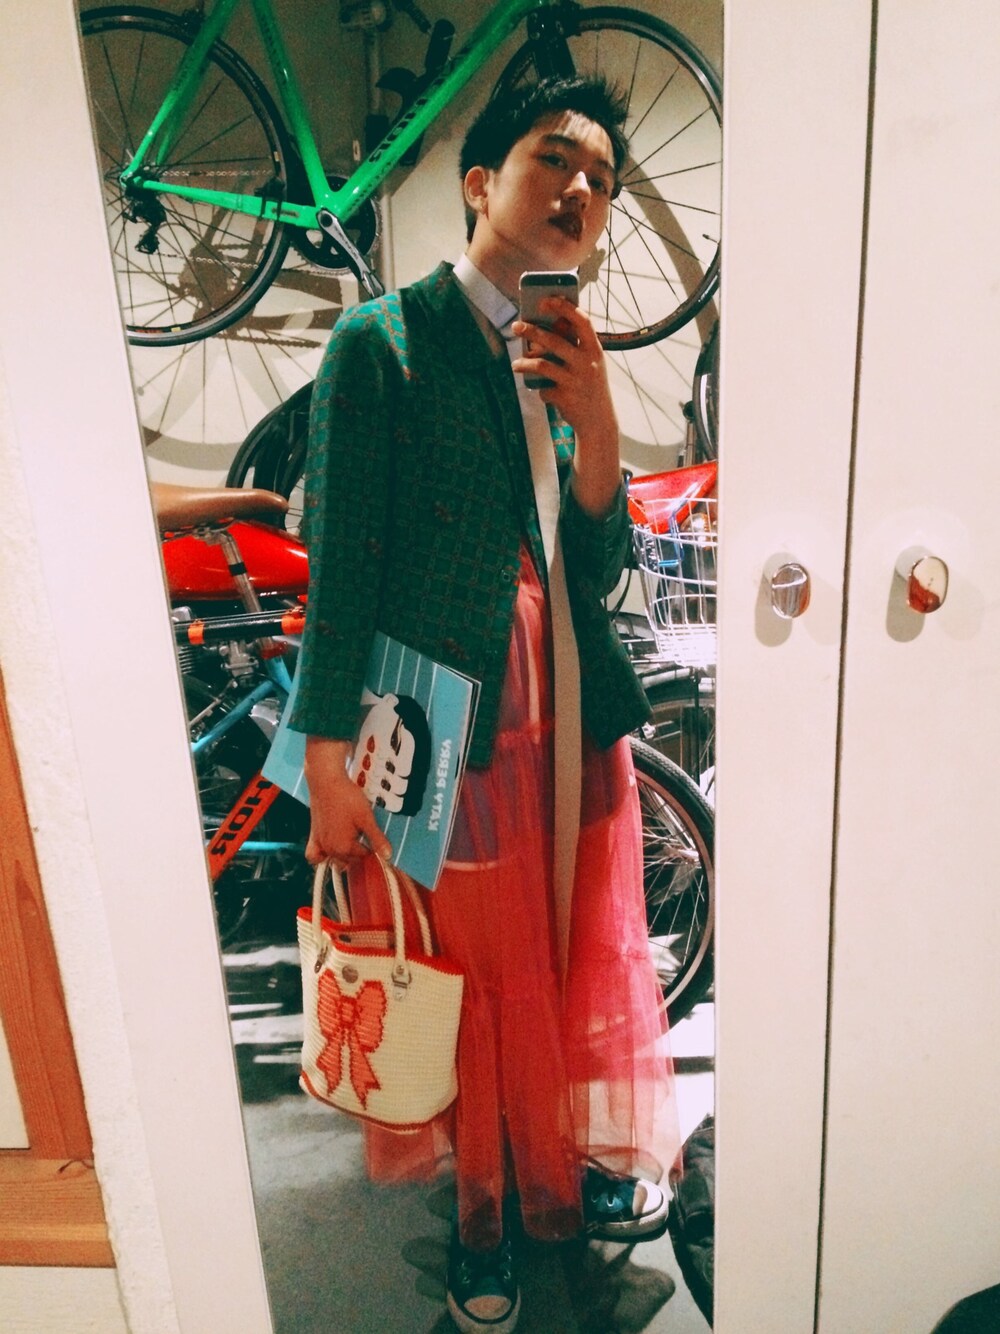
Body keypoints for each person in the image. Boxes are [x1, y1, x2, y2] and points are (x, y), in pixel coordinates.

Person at [291, 74, 680, 1334]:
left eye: (602, 179)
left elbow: (598, 563)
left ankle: (552, 1168)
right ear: (480, 182)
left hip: (569, 713)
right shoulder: (384, 341)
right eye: (553, 159)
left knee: (561, 966)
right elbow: (342, 563)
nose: (580, 189)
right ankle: (481, 1216)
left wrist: (599, 426)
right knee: (465, 977)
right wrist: (326, 757)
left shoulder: (567, 352)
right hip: (443, 725)